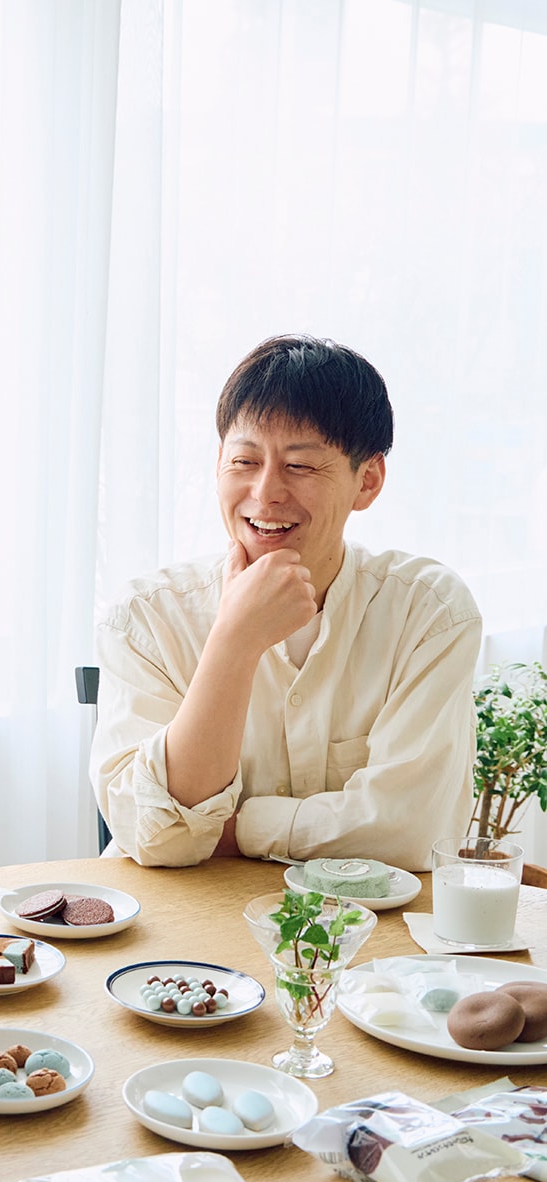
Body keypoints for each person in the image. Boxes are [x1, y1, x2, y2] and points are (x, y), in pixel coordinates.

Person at [91, 334, 481, 870]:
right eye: (244, 461)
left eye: (300, 466)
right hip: (180, 917)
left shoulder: (428, 612)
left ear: (367, 481)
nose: (265, 492)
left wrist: (236, 828)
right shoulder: (146, 618)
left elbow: (412, 830)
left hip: (366, 922)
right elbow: (156, 835)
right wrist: (234, 641)